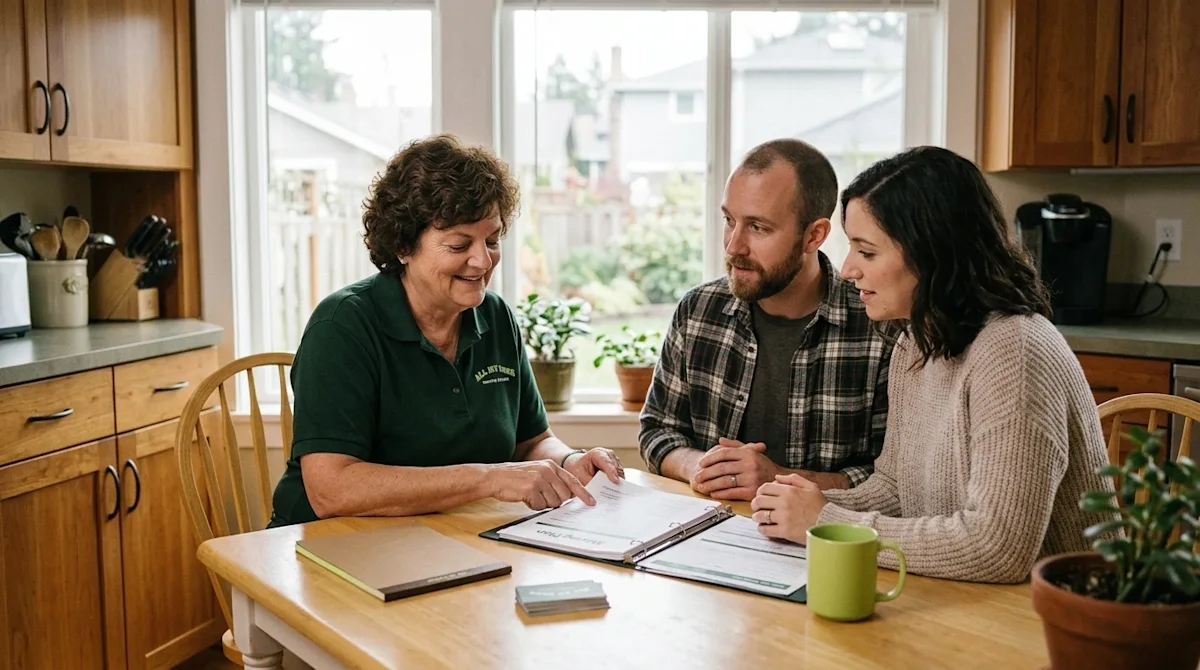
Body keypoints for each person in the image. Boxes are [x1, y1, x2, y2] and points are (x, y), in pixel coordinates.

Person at [750, 146, 1115, 584]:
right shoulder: (917, 342)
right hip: (969, 604)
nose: (847, 270)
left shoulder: (1015, 352)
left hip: (1059, 623)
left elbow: (997, 550)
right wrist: (806, 502)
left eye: (867, 252)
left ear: (931, 254)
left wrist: (827, 523)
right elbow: (894, 490)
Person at [268, 134, 622, 527]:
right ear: (403, 245)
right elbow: (331, 489)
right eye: (458, 245)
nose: (482, 260)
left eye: (492, 240)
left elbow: (532, 442)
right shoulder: (342, 327)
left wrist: (571, 461)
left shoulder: (497, 316)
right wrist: (489, 478)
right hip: (329, 543)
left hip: (440, 535)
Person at [638, 138, 895, 502]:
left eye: (758, 227)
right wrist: (698, 465)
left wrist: (778, 478)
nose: (733, 246)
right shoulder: (698, 311)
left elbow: (888, 477)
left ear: (814, 235)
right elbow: (658, 430)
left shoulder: (879, 327)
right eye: (730, 220)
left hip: (817, 547)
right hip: (706, 539)